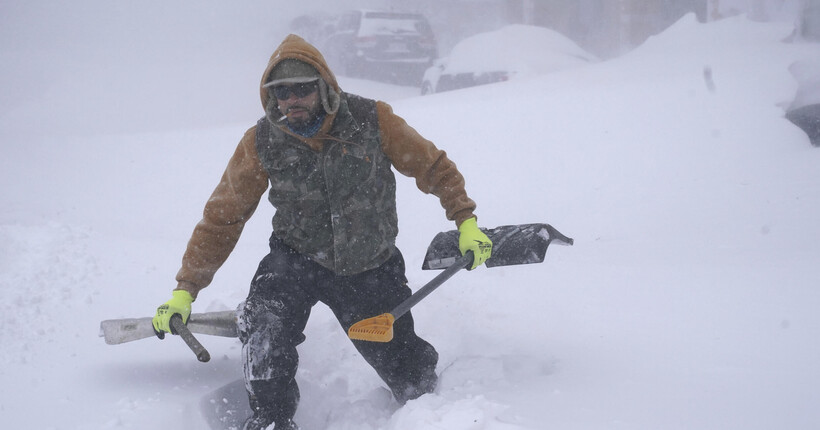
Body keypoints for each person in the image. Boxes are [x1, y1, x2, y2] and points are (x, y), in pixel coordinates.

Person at [151, 34, 493, 430]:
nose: (292, 100)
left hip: (369, 266)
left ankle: (426, 406)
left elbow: (434, 167)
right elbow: (222, 218)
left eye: (302, 89)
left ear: (324, 87)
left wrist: (465, 221)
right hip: (294, 260)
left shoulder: (372, 120)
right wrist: (185, 289)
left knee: (409, 375)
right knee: (267, 327)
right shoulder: (262, 140)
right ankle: (271, 419)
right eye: (281, 92)